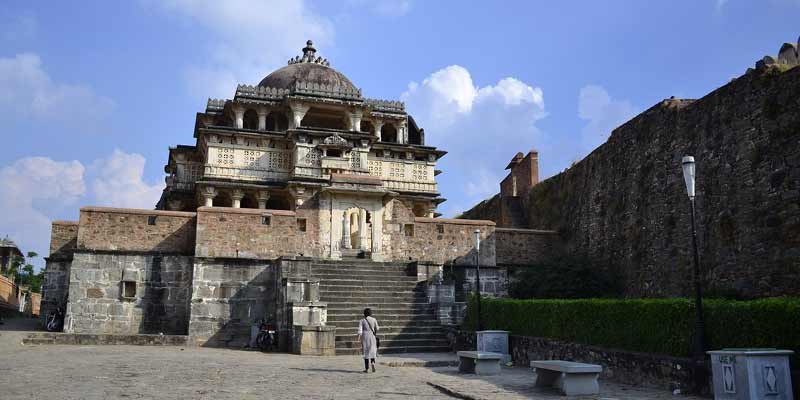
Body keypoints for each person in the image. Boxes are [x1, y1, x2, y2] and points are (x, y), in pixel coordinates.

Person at [357, 307, 379, 373]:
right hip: (372, 336)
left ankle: (367, 368)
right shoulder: (374, 319)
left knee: (366, 352)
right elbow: (377, 328)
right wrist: (374, 333)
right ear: (370, 313)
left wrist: (359, 337)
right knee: (372, 350)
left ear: (364, 313)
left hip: (365, 336)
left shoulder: (362, 320)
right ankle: (372, 362)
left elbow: (360, 330)